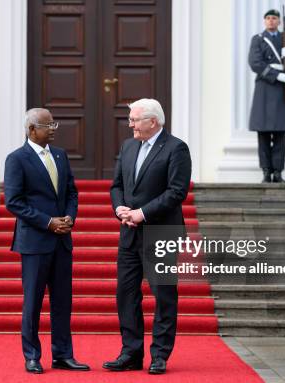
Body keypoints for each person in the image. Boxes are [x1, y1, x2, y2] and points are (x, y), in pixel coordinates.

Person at [104, 98, 192, 375]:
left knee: (163, 295)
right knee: (126, 294)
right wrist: (120, 209)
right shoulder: (129, 146)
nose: (129, 124)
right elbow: (117, 185)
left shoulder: (176, 148)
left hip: (161, 231)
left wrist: (142, 213)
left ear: (152, 121)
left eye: (134, 119)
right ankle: (130, 353)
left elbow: (177, 191)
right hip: (129, 232)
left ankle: (159, 355)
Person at [4, 108, 90, 374]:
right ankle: (32, 355)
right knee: (33, 303)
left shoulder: (61, 156)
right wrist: (48, 222)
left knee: (63, 301)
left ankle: (63, 354)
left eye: (54, 123)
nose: (53, 128)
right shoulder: (16, 159)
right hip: (35, 242)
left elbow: (71, 192)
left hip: (62, 240)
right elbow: (14, 202)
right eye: (48, 124)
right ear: (32, 129)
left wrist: (69, 218)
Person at [249, 9, 285, 183]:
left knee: (280, 134)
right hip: (265, 88)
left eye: (274, 18)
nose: (271, 21)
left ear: (279, 22)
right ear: (264, 21)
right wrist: (276, 75)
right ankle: (266, 172)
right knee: (264, 133)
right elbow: (255, 63)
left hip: (282, 89)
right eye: (268, 18)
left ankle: (278, 173)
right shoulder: (258, 39)